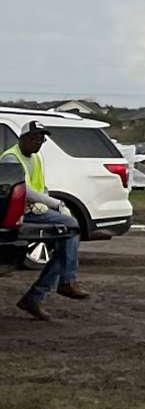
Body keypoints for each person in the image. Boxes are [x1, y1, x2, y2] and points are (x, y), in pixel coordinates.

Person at [6, 123, 88, 321]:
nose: (38, 143)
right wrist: (55, 203)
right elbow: (24, 188)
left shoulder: (35, 158)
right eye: (34, 138)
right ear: (23, 138)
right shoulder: (11, 157)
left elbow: (41, 186)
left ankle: (35, 298)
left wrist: (49, 205)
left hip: (34, 209)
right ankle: (66, 281)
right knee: (72, 228)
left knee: (66, 244)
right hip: (20, 212)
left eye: (41, 139)